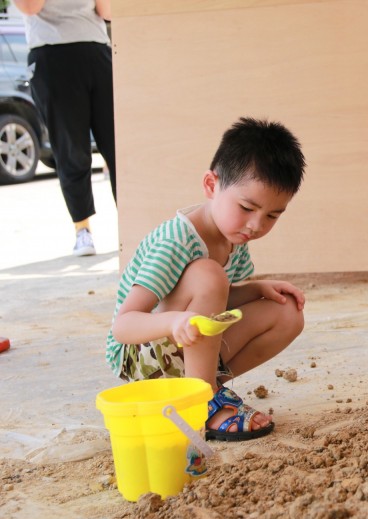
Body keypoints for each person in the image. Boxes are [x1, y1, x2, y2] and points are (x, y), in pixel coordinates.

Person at [106, 117, 306, 441]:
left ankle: (205, 389)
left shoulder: (235, 237)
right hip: (142, 358)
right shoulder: (176, 240)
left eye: (272, 215)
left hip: (184, 344)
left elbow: (217, 301)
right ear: (212, 185)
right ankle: (202, 403)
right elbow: (124, 326)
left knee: (288, 313)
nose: (256, 225)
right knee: (208, 274)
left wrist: (256, 289)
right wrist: (174, 322)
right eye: (247, 207)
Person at [13, 0, 116, 257]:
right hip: (52, 54)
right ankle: (83, 230)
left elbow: (107, 12)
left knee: (118, 147)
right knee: (71, 149)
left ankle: (133, 227)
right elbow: (29, 7)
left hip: (96, 49)